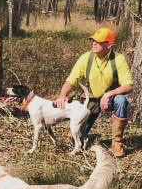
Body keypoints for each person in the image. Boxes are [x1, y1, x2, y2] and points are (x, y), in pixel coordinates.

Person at [54, 26, 133, 157]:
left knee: (121, 100)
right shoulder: (86, 58)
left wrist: (108, 94)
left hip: (111, 99)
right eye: (93, 40)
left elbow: (129, 86)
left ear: (109, 45)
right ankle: (86, 136)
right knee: (73, 139)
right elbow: (71, 80)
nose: (94, 43)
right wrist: (63, 95)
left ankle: (116, 143)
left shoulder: (119, 59)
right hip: (91, 100)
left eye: (99, 41)